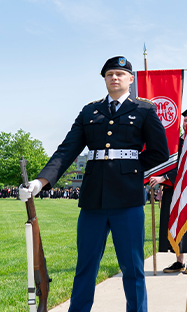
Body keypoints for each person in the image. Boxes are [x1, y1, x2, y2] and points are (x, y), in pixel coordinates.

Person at [19, 56, 169, 312]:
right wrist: (40, 182)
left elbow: (159, 152)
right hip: (93, 200)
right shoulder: (90, 111)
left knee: (132, 268)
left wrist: (129, 169)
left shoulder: (144, 110)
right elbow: (66, 150)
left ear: (131, 79)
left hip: (128, 199)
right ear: (104, 79)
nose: (115, 77)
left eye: (120, 74)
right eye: (110, 74)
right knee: (86, 266)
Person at [149, 108, 187, 274]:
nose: (186, 122)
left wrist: (165, 177)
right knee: (173, 223)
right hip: (171, 188)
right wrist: (160, 180)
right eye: (185, 120)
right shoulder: (175, 142)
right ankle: (179, 261)